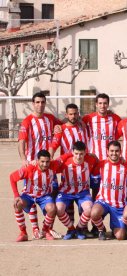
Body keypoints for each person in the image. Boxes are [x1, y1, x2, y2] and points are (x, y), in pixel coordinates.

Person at [17, 92, 62, 238]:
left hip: (48, 166)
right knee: (32, 196)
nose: (40, 105)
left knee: (52, 196)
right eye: (37, 102)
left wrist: (58, 128)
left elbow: (63, 125)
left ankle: (48, 229)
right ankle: (35, 229)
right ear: (33, 103)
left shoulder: (50, 118)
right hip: (33, 166)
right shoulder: (27, 121)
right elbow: (21, 142)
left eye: (42, 102)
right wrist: (24, 159)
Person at [10, 150, 61, 241]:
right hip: (29, 195)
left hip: (44, 196)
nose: (45, 164)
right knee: (18, 204)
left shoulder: (54, 165)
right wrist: (16, 195)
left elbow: (64, 158)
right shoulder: (29, 168)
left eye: (47, 161)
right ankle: (23, 233)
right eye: (42, 161)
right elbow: (12, 177)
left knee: (52, 208)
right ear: (37, 161)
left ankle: (45, 231)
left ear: (50, 160)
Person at [55, 141, 100, 240]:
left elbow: (99, 164)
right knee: (58, 209)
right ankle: (71, 229)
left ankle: (79, 229)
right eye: (76, 153)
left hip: (82, 192)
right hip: (65, 192)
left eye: (81, 154)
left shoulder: (91, 160)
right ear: (72, 152)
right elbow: (52, 166)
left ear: (85, 153)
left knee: (89, 209)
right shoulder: (65, 162)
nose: (78, 156)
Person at [90, 141, 127, 240]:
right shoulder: (101, 164)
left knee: (120, 236)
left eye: (117, 151)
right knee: (94, 213)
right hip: (103, 201)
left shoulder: (126, 166)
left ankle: (121, 228)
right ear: (107, 152)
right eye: (112, 151)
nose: (114, 153)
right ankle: (101, 230)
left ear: (120, 152)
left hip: (119, 205)